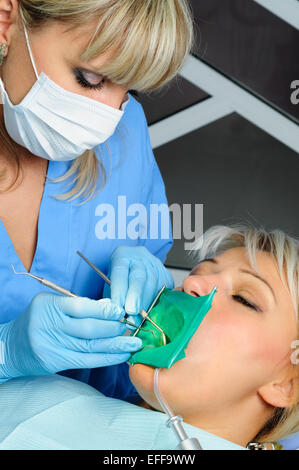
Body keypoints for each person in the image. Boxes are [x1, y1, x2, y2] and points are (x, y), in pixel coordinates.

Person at [0, 0, 193, 398]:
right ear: (7, 20)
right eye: (89, 78)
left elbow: (148, 342)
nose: (107, 119)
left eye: (128, 88)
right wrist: (6, 351)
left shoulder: (126, 131)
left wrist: (156, 301)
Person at [0, 224, 298, 450]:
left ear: (286, 385)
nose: (192, 283)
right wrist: (6, 353)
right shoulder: (48, 395)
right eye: (197, 272)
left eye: (243, 298)